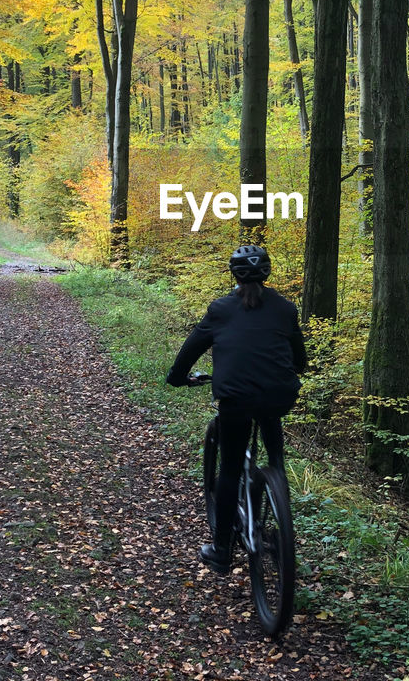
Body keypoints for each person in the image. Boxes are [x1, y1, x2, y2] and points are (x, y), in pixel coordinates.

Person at [165, 244, 307, 573]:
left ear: (234, 274)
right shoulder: (285, 309)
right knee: (275, 454)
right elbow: (300, 361)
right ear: (268, 272)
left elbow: (191, 349)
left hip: (236, 398)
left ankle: (221, 550)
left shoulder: (220, 309)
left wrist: (177, 377)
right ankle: (279, 504)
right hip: (278, 395)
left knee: (229, 470)